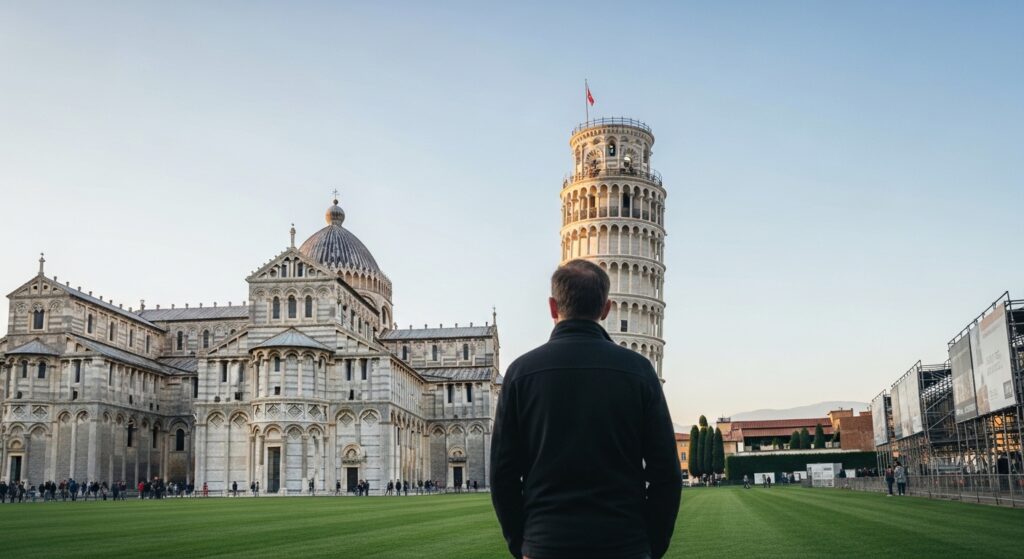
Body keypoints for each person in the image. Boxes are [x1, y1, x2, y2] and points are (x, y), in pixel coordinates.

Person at [491, 260, 681, 559]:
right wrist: (650, 546)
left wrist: (524, 544)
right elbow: (666, 474)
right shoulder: (639, 371)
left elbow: (503, 475)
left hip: (546, 544)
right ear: (606, 309)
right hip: (624, 544)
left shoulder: (520, 373)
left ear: (553, 307)